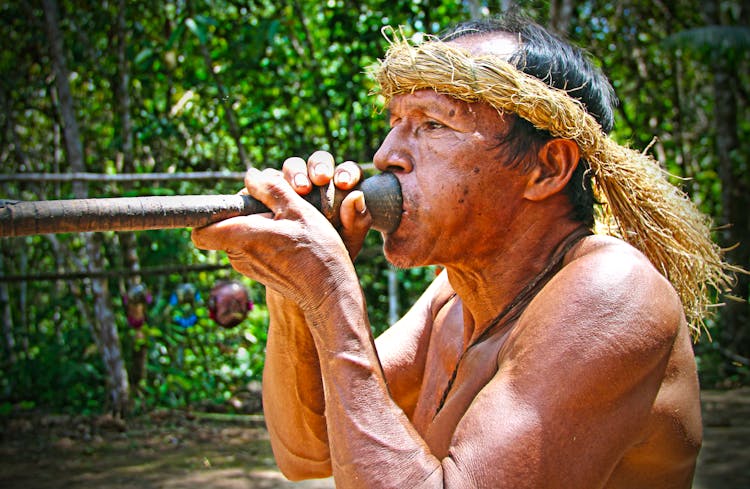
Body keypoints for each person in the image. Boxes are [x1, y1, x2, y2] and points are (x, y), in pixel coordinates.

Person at [192, 12, 735, 489]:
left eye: (432, 124)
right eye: (395, 124)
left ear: (546, 168)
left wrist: (330, 290)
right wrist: (296, 290)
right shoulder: (452, 297)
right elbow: (307, 452)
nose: (386, 155)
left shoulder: (613, 293)